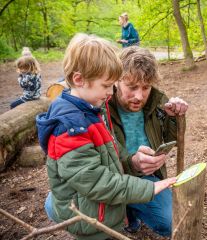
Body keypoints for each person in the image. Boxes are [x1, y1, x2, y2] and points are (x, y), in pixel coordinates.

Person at [36, 33, 176, 240]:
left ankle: (126, 214)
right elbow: (96, 182)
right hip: (92, 210)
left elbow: (111, 151)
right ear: (79, 79)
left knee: (167, 219)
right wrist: (148, 188)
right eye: (107, 85)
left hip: (111, 192)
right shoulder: (73, 125)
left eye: (145, 88)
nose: (111, 91)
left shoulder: (91, 107)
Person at [107, 46, 189, 237]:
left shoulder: (157, 100)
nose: (139, 96)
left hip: (148, 179)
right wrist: (132, 163)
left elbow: (173, 140)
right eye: (132, 86)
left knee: (173, 222)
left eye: (145, 87)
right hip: (113, 178)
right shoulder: (103, 104)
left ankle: (135, 207)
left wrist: (174, 117)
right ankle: (126, 210)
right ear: (117, 80)